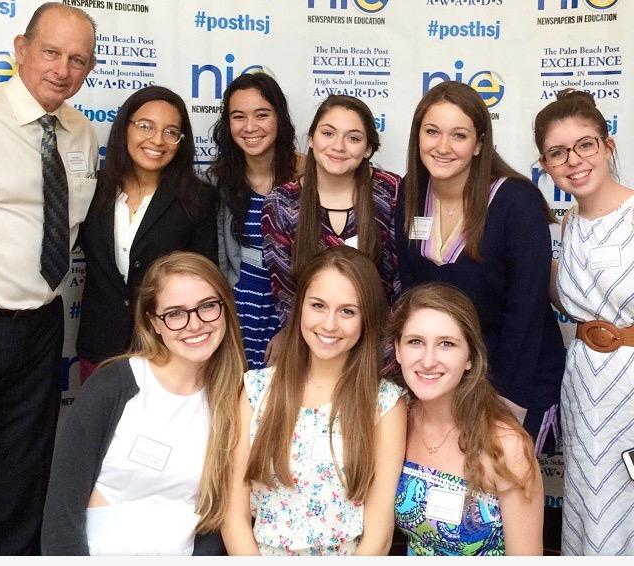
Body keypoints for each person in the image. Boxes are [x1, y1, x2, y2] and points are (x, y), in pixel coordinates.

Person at [41, 251, 247, 555]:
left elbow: (215, 522)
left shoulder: (235, 400)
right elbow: (61, 515)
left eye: (207, 306)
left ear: (225, 310)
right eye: (175, 313)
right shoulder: (114, 384)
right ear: (153, 323)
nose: (195, 324)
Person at [394, 81, 565, 442]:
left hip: (511, 378)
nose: (442, 147)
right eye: (432, 132)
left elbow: (527, 311)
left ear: (479, 144)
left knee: (500, 491)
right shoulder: (410, 194)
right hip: (442, 377)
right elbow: (411, 298)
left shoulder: (515, 203)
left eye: (458, 135)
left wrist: (504, 404)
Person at [0, 1, 98, 555]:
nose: (63, 69)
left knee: (23, 461)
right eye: (51, 52)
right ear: (20, 49)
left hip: (41, 323)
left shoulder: (81, 133)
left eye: (78, 59)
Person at [222, 246, 406, 555]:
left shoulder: (385, 403)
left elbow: (380, 531)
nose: (329, 324)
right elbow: (233, 515)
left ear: (367, 318)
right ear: (300, 308)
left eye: (348, 311)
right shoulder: (256, 389)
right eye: (318, 305)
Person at [534, 89, 634, 556]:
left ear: (607, 145)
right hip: (584, 386)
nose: (573, 160)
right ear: (545, 164)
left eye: (585, 144)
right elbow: (567, 295)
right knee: (589, 506)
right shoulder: (570, 223)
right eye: (558, 152)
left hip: (630, 390)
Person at [76, 85, 218, 383]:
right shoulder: (92, 189)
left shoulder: (198, 199)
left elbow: (205, 280)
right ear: (124, 128)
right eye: (145, 126)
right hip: (100, 347)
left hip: (168, 350)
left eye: (170, 132)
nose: (157, 140)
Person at [390, 283, 543, 555]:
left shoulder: (506, 445)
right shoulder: (397, 422)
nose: (427, 360)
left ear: (470, 357)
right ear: (398, 350)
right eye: (415, 342)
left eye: (446, 344)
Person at [262, 94, 400, 332]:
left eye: (353, 138)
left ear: (368, 149)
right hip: (313, 338)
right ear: (312, 139)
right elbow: (286, 295)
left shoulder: (391, 192)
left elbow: (400, 281)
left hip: (379, 342)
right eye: (328, 133)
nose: (338, 146)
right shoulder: (281, 202)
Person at [210, 72, 301, 369]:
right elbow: (220, 260)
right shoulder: (219, 180)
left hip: (294, 315)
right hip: (238, 314)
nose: (250, 127)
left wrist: (292, 328)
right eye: (238, 116)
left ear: (279, 118)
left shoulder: (309, 175)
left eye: (262, 115)